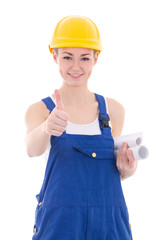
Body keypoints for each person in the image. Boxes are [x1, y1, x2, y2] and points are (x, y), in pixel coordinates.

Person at [25, 15, 137, 240]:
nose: (76, 67)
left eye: (85, 58)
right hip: (61, 224)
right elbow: (31, 149)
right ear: (54, 56)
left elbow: (112, 173)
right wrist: (48, 126)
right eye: (67, 57)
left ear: (96, 58)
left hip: (109, 222)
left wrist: (127, 169)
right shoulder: (41, 110)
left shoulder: (114, 111)